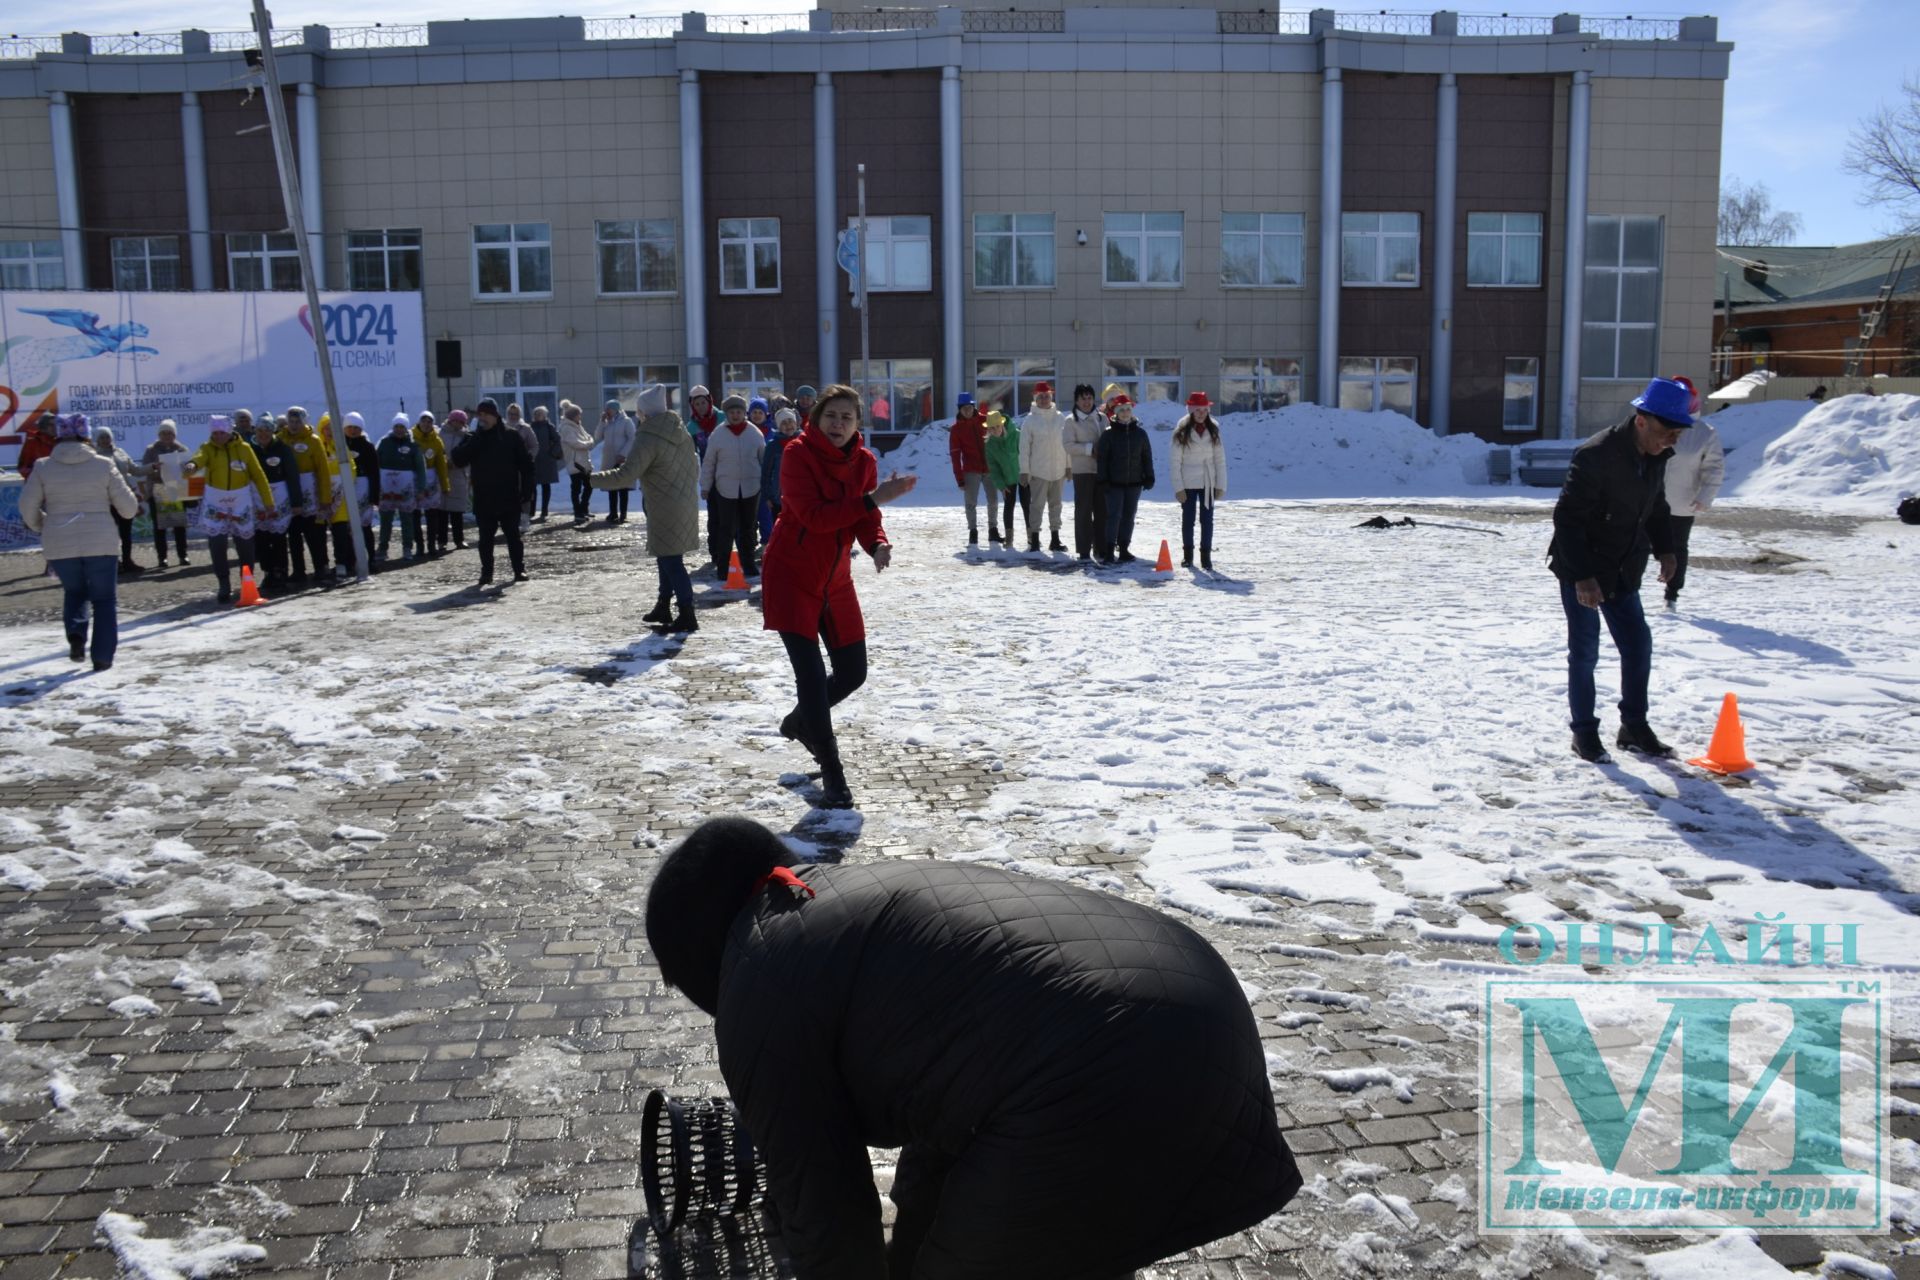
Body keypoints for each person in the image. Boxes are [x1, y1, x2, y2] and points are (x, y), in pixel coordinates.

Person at [644, 817, 1303, 1280]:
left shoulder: (761, 977)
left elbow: (828, 1215)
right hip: (1203, 1005)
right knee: (1033, 1241)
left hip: (1103, 1068)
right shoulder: (844, 907)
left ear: (699, 957)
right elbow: (959, 1092)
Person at [760, 384, 916, 809]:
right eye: (832, 416)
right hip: (792, 576)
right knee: (810, 678)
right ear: (816, 418)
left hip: (836, 581)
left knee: (853, 673)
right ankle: (833, 773)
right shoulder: (797, 454)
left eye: (848, 418)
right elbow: (814, 516)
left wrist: (878, 543)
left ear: (858, 424)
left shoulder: (864, 461)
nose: (839, 424)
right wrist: (871, 499)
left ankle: (800, 721)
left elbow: (868, 517)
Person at [1548, 376, 1690, 763]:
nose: (1672, 439)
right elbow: (1568, 520)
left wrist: (1666, 549)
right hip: (1584, 568)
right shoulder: (1596, 455)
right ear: (1642, 420)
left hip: (1625, 567)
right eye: (1667, 430)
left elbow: (1656, 507)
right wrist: (1583, 577)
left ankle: (1634, 726)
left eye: (1679, 431)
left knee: (1637, 645)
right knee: (1585, 652)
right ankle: (1584, 734)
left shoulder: (1655, 456)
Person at [20, 414, 141, 671]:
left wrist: (43, 524)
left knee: (75, 592)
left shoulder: (43, 466)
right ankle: (102, 657)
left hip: (59, 540)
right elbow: (129, 508)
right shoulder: (103, 464)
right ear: (87, 435)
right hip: (101, 541)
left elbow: (26, 506)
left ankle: (76, 635)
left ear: (59, 436)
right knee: (104, 599)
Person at [590, 383, 702, 634]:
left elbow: (627, 474)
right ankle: (663, 606)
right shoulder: (680, 431)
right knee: (667, 556)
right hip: (681, 503)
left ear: (644, 412)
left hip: (664, 505)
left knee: (671, 561)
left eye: (639, 410)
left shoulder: (648, 436)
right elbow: (694, 467)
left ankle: (687, 614)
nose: (637, 415)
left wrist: (592, 479)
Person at [181, 413, 273, 603]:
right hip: (216, 502)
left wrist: (268, 502)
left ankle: (246, 581)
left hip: (241, 502)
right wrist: (191, 465)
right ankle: (224, 583)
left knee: (246, 546)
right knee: (217, 545)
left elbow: (259, 475)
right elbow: (199, 459)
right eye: (215, 433)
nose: (218, 437)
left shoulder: (245, 449)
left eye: (221, 433)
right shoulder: (207, 448)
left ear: (229, 431)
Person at [450, 397, 533, 588]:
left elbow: (527, 466)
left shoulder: (511, 436)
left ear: (496, 416)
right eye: (480, 414)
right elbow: (458, 459)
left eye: (486, 414)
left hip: (508, 496)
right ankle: (486, 573)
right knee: (485, 539)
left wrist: (526, 491)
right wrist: (476, 437)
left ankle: (519, 569)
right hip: (484, 497)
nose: (483, 418)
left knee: (513, 536)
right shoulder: (474, 438)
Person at [1660, 380, 1725, 610]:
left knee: (1677, 548)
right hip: (1648, 500)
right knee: (1635, 544)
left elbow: (1714, 468)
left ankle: (1672, 594)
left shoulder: (1704, 433)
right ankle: (1626, 590)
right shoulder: (1656, 423)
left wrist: (1705, 496)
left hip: (1681, 502)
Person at [700, 393, 766, 579]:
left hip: (751, 487)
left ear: (744, 413)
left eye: (739, 411)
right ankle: (723, 567)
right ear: (726, 413)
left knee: (748, 528)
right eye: (732, 412)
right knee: (726, 528)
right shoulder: (718, 434)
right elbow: (709, 462)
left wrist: (766, 486)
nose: (736, 415)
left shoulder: (754, 433)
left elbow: (763, 459)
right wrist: (705, 486)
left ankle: (749, 564)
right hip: (725, 488)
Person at [1171, 392, 1228, 570]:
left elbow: (1220, 460)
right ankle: (1188, 555)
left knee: (1207, 520)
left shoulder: (1214, 430)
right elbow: (1175, 461)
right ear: (1191, 411)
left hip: (1208, 482)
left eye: (1204, 410)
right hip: (1188, 482)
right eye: (1198, 410)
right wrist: (1178, 487)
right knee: (1188, 521)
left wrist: (1221, 485)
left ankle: (1206, 556)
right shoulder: (1181, 431)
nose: (1201, 413)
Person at [1096, 395, 1154, 564]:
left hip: (1134, 483)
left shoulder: (1141, 434)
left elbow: (1146, 456)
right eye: (1121, 410)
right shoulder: (1108, 435)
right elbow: (1102, 459)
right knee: (1114, 516)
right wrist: (1103, 479)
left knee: (1129, 516)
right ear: (1115, 413)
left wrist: (1149, 476)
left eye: (1128, 409)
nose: (1125, 412)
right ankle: (1108, 550)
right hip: (1113, 484)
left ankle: (1124, 548)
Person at [248, 413, 302, 593]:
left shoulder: (283, 449)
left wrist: (296, 502)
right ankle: (268, 571)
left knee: (279, 538)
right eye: (260, 430)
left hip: (280, 497)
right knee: (262, 538)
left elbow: (292, 476)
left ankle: (281, 572)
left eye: (267, 430)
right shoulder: (249, 448)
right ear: (255, 430)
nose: (263, 434)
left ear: (273, 431)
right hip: (257, 498)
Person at [276, 406, 332, 581]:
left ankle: (320, 567)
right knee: (293, 534)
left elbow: (323, 471)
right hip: (288, 491)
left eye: (297, 422)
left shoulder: (313, 441)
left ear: (304, 421)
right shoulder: (280, 439)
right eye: (291, 422)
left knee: (314, 532)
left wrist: (325, 498)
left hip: (310, 492)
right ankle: (298, 571)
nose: (294, 425)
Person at [1017, 381, 1070, 553]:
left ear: (1051, 397)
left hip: (1059, 471)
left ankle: (1055, 539)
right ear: (1035, 399)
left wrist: (1068, 466)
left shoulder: (1061, 418)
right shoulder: (1030, 421)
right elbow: (1024, 449)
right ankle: (1035, 540)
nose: (1044, 399)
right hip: (1038, 471)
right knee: (1037, 506)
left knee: (1056, 505)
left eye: (1047, 396)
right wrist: (1024, 471)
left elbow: (1067, 444)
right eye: (1041, 397)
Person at [91, 426, 146, 576]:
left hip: (124, 497)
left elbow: (135, 470)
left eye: (107, 436)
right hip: (106, 500)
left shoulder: (120, 452)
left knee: (126, 532)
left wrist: (153, 467)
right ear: (96, 439)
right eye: (101, 437)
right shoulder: (93, 456)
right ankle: (115, 563)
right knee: (110, 534)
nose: (105, 440)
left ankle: (127, 561)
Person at [1064, 383, 1109, 563]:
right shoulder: (1070, 421)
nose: (1086, 401)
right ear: (1076, 400)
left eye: (1089, 397)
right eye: (1083, 398)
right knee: (1083, 510)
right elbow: (1067, 445)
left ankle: (1101, 547)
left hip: (1101, 471)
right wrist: (1090, 449)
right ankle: (1084, 549)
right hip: (1082, 471)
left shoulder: (1102, 418)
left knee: (1102, 511)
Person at [947, 392, 997, 549]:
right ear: (959, 409)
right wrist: (959, 478)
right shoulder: (956, 429)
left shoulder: (985, 420)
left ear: (973, 407)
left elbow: (998, 441)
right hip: (971, 470)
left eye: (970, 407)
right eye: (964, 408)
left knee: (993, 501)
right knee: (971, 503)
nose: (967, 411)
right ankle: (973, 531)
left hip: (989, 468)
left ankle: (993, 529)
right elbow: (955, 455)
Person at [377, 412, 428, 563]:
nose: (399, 429)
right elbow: (376, 463)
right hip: (386, 488)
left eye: (402, 427)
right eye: (397, 426)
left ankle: (407, 547)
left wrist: (420, 488)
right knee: (386, 519)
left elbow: (421, 468)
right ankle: (383, 548)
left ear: (406, 428)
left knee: (407, 519)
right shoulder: (384, 443)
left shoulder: (413, 445)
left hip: (406, 488)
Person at [141, 420, 192, 568]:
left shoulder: (182, 449)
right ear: (159, 434)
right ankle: (162, 558)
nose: (167, 436)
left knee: (179, 526)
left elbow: (189, 468)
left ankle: (183, 555)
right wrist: (156, 468)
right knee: (160, 527)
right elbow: (145, 469)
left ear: (174, 434)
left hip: (175, 490)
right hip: (158, 490)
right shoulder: (151, 450)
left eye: (170, 433)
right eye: (163, 433)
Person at [759, 406, 801, 546]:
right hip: (778, 497)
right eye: (783, 423)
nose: (788, 425)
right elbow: (765, 473)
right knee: (781, 529)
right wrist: (767, 496)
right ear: (778, 425)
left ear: (796, 423)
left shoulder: (803, 442)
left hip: (801, 495)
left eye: (790, 421)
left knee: (799, 528)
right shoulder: (773, 446)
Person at [984, 404, 1023, 544]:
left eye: (997, 427)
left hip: (1023, 475)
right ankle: (1009, 538)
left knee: (1027, 505)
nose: (995, 430)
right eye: (991, 428)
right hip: (1007, 480)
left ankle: (1033, 537)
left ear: (1002, 424)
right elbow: (994, 468)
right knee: (1008, 506)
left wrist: (1028, 472)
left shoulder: (1017, 435)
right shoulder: (989, 445)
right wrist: (1001, 485)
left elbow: (1025, 454)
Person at [414, 411, 451, 554]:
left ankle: (431, 544)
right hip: (415, 479)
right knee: (415, 515)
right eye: (423, 421)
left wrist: (445, 484)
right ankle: (419, 545)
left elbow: (442, 464)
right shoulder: (411, 438)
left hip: (431, 479)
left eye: (429, 421)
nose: (426, 424)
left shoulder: (437, 441)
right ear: (419, 422)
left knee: (432, 515)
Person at [597, 400, 637, 524]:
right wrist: (601, 422)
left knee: (623, 487)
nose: (607, 411)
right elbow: (598, 437)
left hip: (622, 458)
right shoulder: (607, 423)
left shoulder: (626, 421)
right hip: (609, 459)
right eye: (606, 409)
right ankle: (613, 512)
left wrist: (623, 454)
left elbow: (632, 438)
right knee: (611, 486)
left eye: (609, 409)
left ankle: (623, 514)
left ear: (616, 410)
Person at [556, 401, 597, 524]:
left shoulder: (577, 425)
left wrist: (588, 443)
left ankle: (584, 508)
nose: (580, 417)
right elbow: (576, 443)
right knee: (576, 489)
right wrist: (588, 444)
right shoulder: (567, 427)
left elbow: (589, 437)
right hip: (575, 463)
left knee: (589, 485)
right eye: (578, 414)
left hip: (584, 461)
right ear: (573, 416)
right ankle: (578, 513)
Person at [439, 409, 472, 549]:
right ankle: (441, 540)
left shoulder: (467, 437)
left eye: (460, 422)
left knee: (457, 511)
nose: (457, 424)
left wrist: (457, 463)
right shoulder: (440, 434)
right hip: (442, 475)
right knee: (442, 511)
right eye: (455, 421)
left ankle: (459, 539)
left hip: (459, 474)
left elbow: (469, 455)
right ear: (450, 420)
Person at [528, 405, 562, 523]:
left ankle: (544, 510)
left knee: (546, 486)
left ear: (545, 416)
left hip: (547, 460)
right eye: (536, 414)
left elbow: (558, 440)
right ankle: (531, 511)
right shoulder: (530, 427)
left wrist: (552, 453)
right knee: (532, 487)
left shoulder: (549, 427)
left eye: (540, 414)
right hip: (534, 460)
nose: (538, 416)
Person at [15, 414, 57, 479]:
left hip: (58, 483)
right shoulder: (32, 441)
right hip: (39, 483)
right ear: (43, 426)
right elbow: (23, 467)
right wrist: (38, 478)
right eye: (51, 425)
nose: (55, 427)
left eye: (56, 424)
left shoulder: (61, 441)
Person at [685, 384, 719, 457]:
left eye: (703, 402)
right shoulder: (691, 427)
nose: (701, 407)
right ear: (693, 407)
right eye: (697, 404)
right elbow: (692, 453)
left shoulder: (722, 418)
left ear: (709, 402)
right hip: (705, 466)